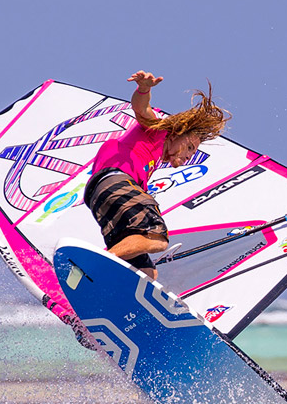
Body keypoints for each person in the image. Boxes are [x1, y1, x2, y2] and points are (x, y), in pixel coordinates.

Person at [82, 71, 231, 280]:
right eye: (189, 147)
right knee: (156, 237)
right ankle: (93, 266)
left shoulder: (151, 158)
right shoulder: (158, 130)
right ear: (178, 132)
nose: (188, 156)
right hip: (114, 181)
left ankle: (102, 292)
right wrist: (144, 89)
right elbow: (141, 108)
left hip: (100, 195)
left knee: (146, 273)